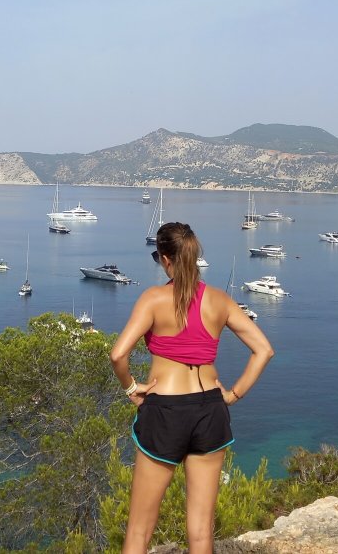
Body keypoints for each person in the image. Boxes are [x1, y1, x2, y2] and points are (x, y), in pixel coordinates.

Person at [110, 221, 274, 554]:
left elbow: (117, 355)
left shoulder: (154, 299)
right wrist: (233, 394)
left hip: (165, 410)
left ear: (166, 259)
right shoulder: (219, 300)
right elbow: (264, 350)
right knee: (200, 532)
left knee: (139, 529)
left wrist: (131, 389)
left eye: (158, 256)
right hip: (211, 410)